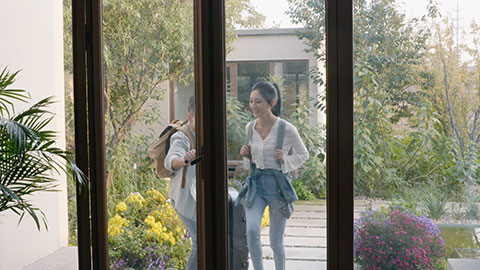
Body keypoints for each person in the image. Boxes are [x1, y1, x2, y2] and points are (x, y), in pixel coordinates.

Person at [239, 81, 309, 270]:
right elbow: (249, 166)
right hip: (256, 187)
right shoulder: (249, 128)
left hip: (278, 188)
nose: (254, 106)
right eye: (251, 101)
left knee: (275, 242)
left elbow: (304, 154)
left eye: (258, 101)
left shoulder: (286, 129)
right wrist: (246, 156)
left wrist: (285, 159)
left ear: (271, 102)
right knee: (252, 230)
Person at [164, 95, 197, 270]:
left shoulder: (207, 133)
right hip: (184, 200)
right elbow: (171, 159)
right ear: (190, 117)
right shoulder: (182, 136)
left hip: (198, 197)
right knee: (200, 242)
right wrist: (184, 159)